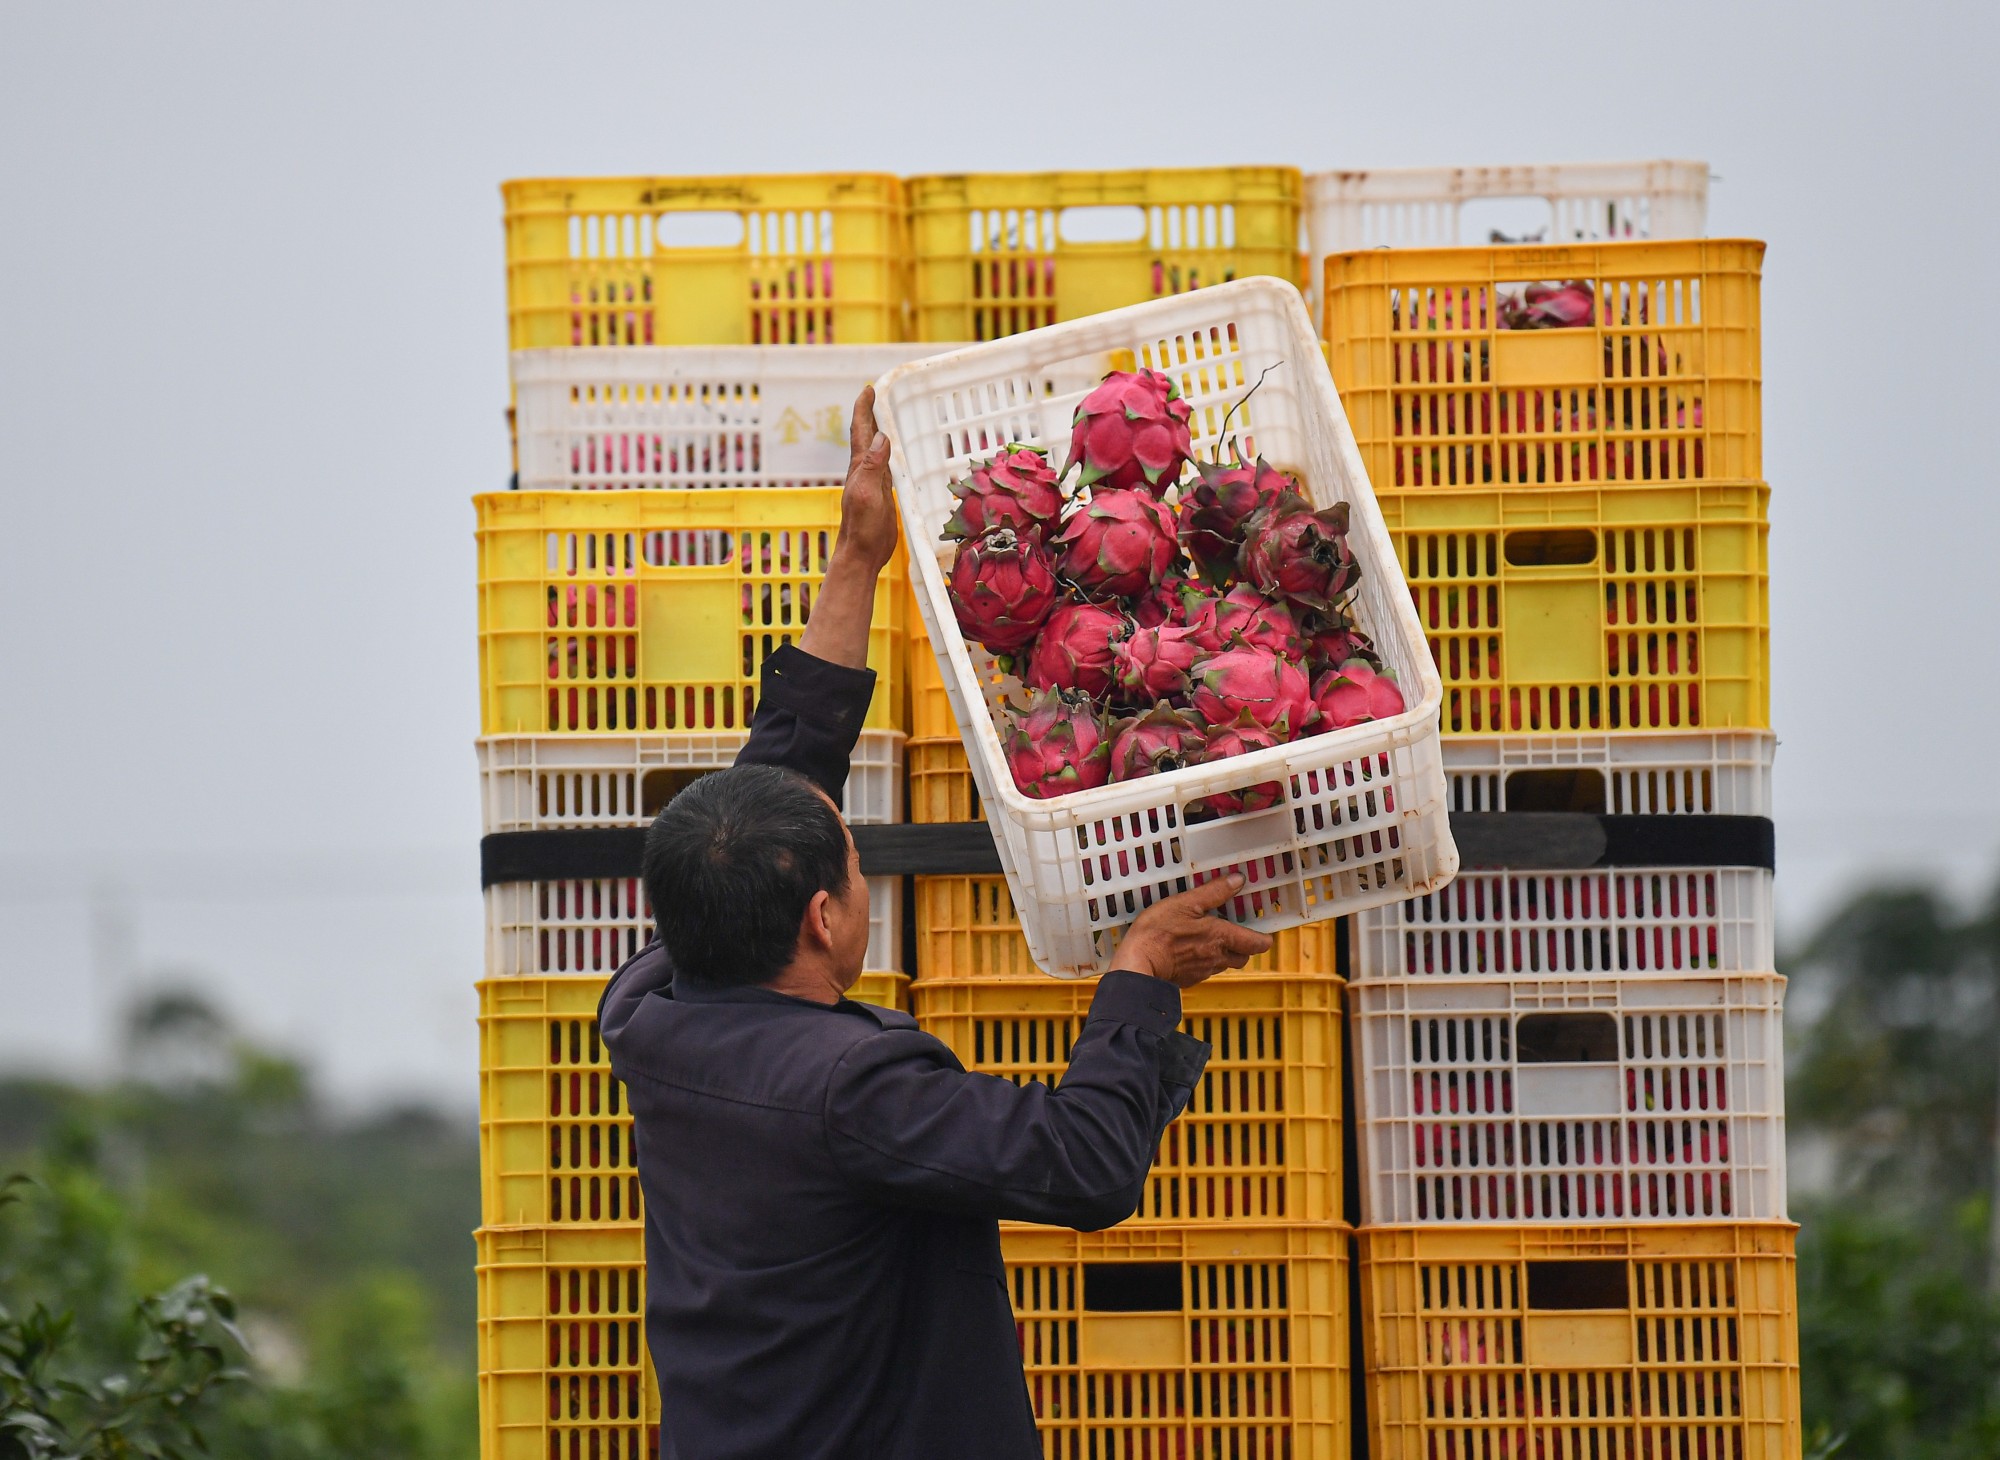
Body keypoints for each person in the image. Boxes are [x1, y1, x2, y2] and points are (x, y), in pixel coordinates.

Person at [599, 386, 1274, 1459]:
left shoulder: (654, 1005)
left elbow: (775, 789)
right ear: (821, 918)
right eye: (858, 871)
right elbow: (1082, 1165)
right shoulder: (845, 1091)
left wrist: (857, 559)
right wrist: (1141, 971)